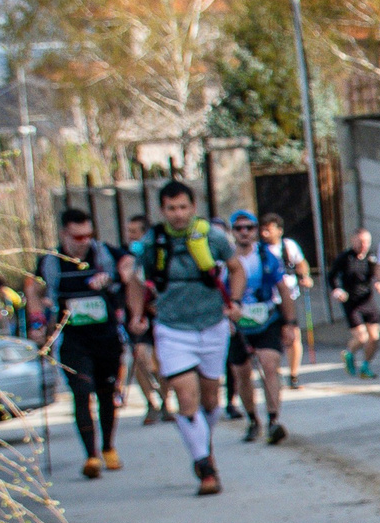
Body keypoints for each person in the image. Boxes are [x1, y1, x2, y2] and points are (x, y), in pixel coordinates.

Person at [122, 180, 239, 496]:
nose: (177, 214)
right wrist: (136, 314)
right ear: (162, 210)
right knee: (186, 397)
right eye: (171, 208)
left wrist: (237, 302)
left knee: (211, 399)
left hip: (212, 325)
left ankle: (203, 443)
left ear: (193, 207)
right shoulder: (151, 243)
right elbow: (135, 281)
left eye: (183, 207)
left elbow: (235, 268)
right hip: (172, 328)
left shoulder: (212, 237)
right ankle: (205, 465)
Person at [28, 209, 126, 480]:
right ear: (64, 235)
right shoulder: (51, 262)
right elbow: (32, 290)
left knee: (107, 393)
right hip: (74, 340)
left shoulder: (104, 254)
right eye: (77, 236)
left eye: (88, 235)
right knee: (81, 392)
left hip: (106, 338)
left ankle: (108, 447)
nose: (84, 241)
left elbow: (130, 265)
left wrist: (114, 278)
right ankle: (91, 456)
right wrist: (37, 324)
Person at [222, 211, 295, 444]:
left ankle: (273, 420)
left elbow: (283, 289)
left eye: (249, 228)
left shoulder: (267, 257)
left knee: (269, 365)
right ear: (232, 232)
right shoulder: (223, 261)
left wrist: (290, 323)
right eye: (239, 228)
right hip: (236, 324)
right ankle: (253, 420)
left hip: (266, 319)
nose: (244, 232)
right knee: (242, 374)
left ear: (256, 231)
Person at [259, 213, 314, 385]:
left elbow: (301, 263)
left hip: (289, 296)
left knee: (293, 335)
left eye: (269, 229)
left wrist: (305, 276)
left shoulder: (288, 246)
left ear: (279, 231)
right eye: (263, 229)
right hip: (268, 299)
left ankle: (293, 374)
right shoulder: (259, 249)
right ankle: (273, 373)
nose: (265, 233)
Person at [122, 214, 166, 425]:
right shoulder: (126, 255)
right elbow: (126, 278)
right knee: (140, 357)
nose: (131, 236)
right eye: (129, 232)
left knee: (161, 361)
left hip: (159, 313)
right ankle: (150, 402)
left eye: (135, 232)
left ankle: (166, 402)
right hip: (136, 315)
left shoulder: (158, 253)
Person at [328, 227, 380, 377]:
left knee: (374, 337)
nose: (363, 245)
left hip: (367, 300)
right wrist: (337, 290)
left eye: (366, 242)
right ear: (353, 241)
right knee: (362, 337)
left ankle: (366, 365)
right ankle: (349, 352)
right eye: (360, 242)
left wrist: (378, 283)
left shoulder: (371, 258)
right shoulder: (345, 258)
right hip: (351, 302)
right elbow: (332, 276)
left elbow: (376, 274)